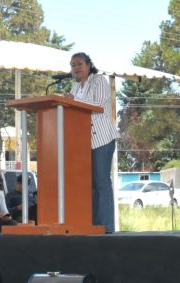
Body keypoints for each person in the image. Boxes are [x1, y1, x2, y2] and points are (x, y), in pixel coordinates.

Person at [64, 52, 119, 233]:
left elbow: (99, 105)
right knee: (91, 185)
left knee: (102, 181)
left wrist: (74, 101)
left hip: (102, 138)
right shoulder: (75, 87)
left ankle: (106, 227)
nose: (76, 68)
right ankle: (94, 226)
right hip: (83, 142)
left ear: (89, 65)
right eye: (73, 65)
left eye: (79, 63)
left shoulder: (99, 80)